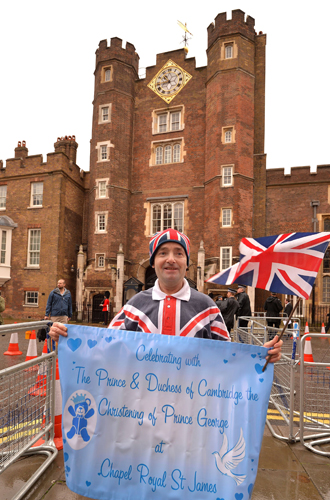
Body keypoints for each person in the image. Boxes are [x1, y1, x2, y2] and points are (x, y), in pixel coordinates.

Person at [49, 229, 282, 363]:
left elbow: (228, 358)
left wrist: (262, 357)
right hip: (141, 413)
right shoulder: (135, 305)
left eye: (179, 253)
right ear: (154, 263)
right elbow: (106, 348)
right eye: (163, 253)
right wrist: (70, 341)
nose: (171, 259)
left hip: (194, 414)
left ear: (187, 264)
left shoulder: (207, 306)